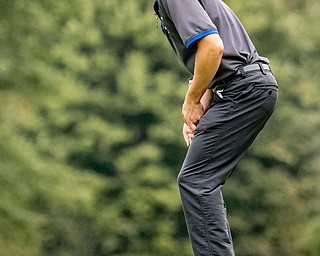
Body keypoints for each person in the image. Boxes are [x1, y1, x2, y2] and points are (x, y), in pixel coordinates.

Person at [153, 0, 278, 255]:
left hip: (242, 89)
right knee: (200, 179)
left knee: (197, 180)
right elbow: (221, 53)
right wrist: (202, 99)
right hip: (246, 84)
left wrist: (191, 99)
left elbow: (212, 46)